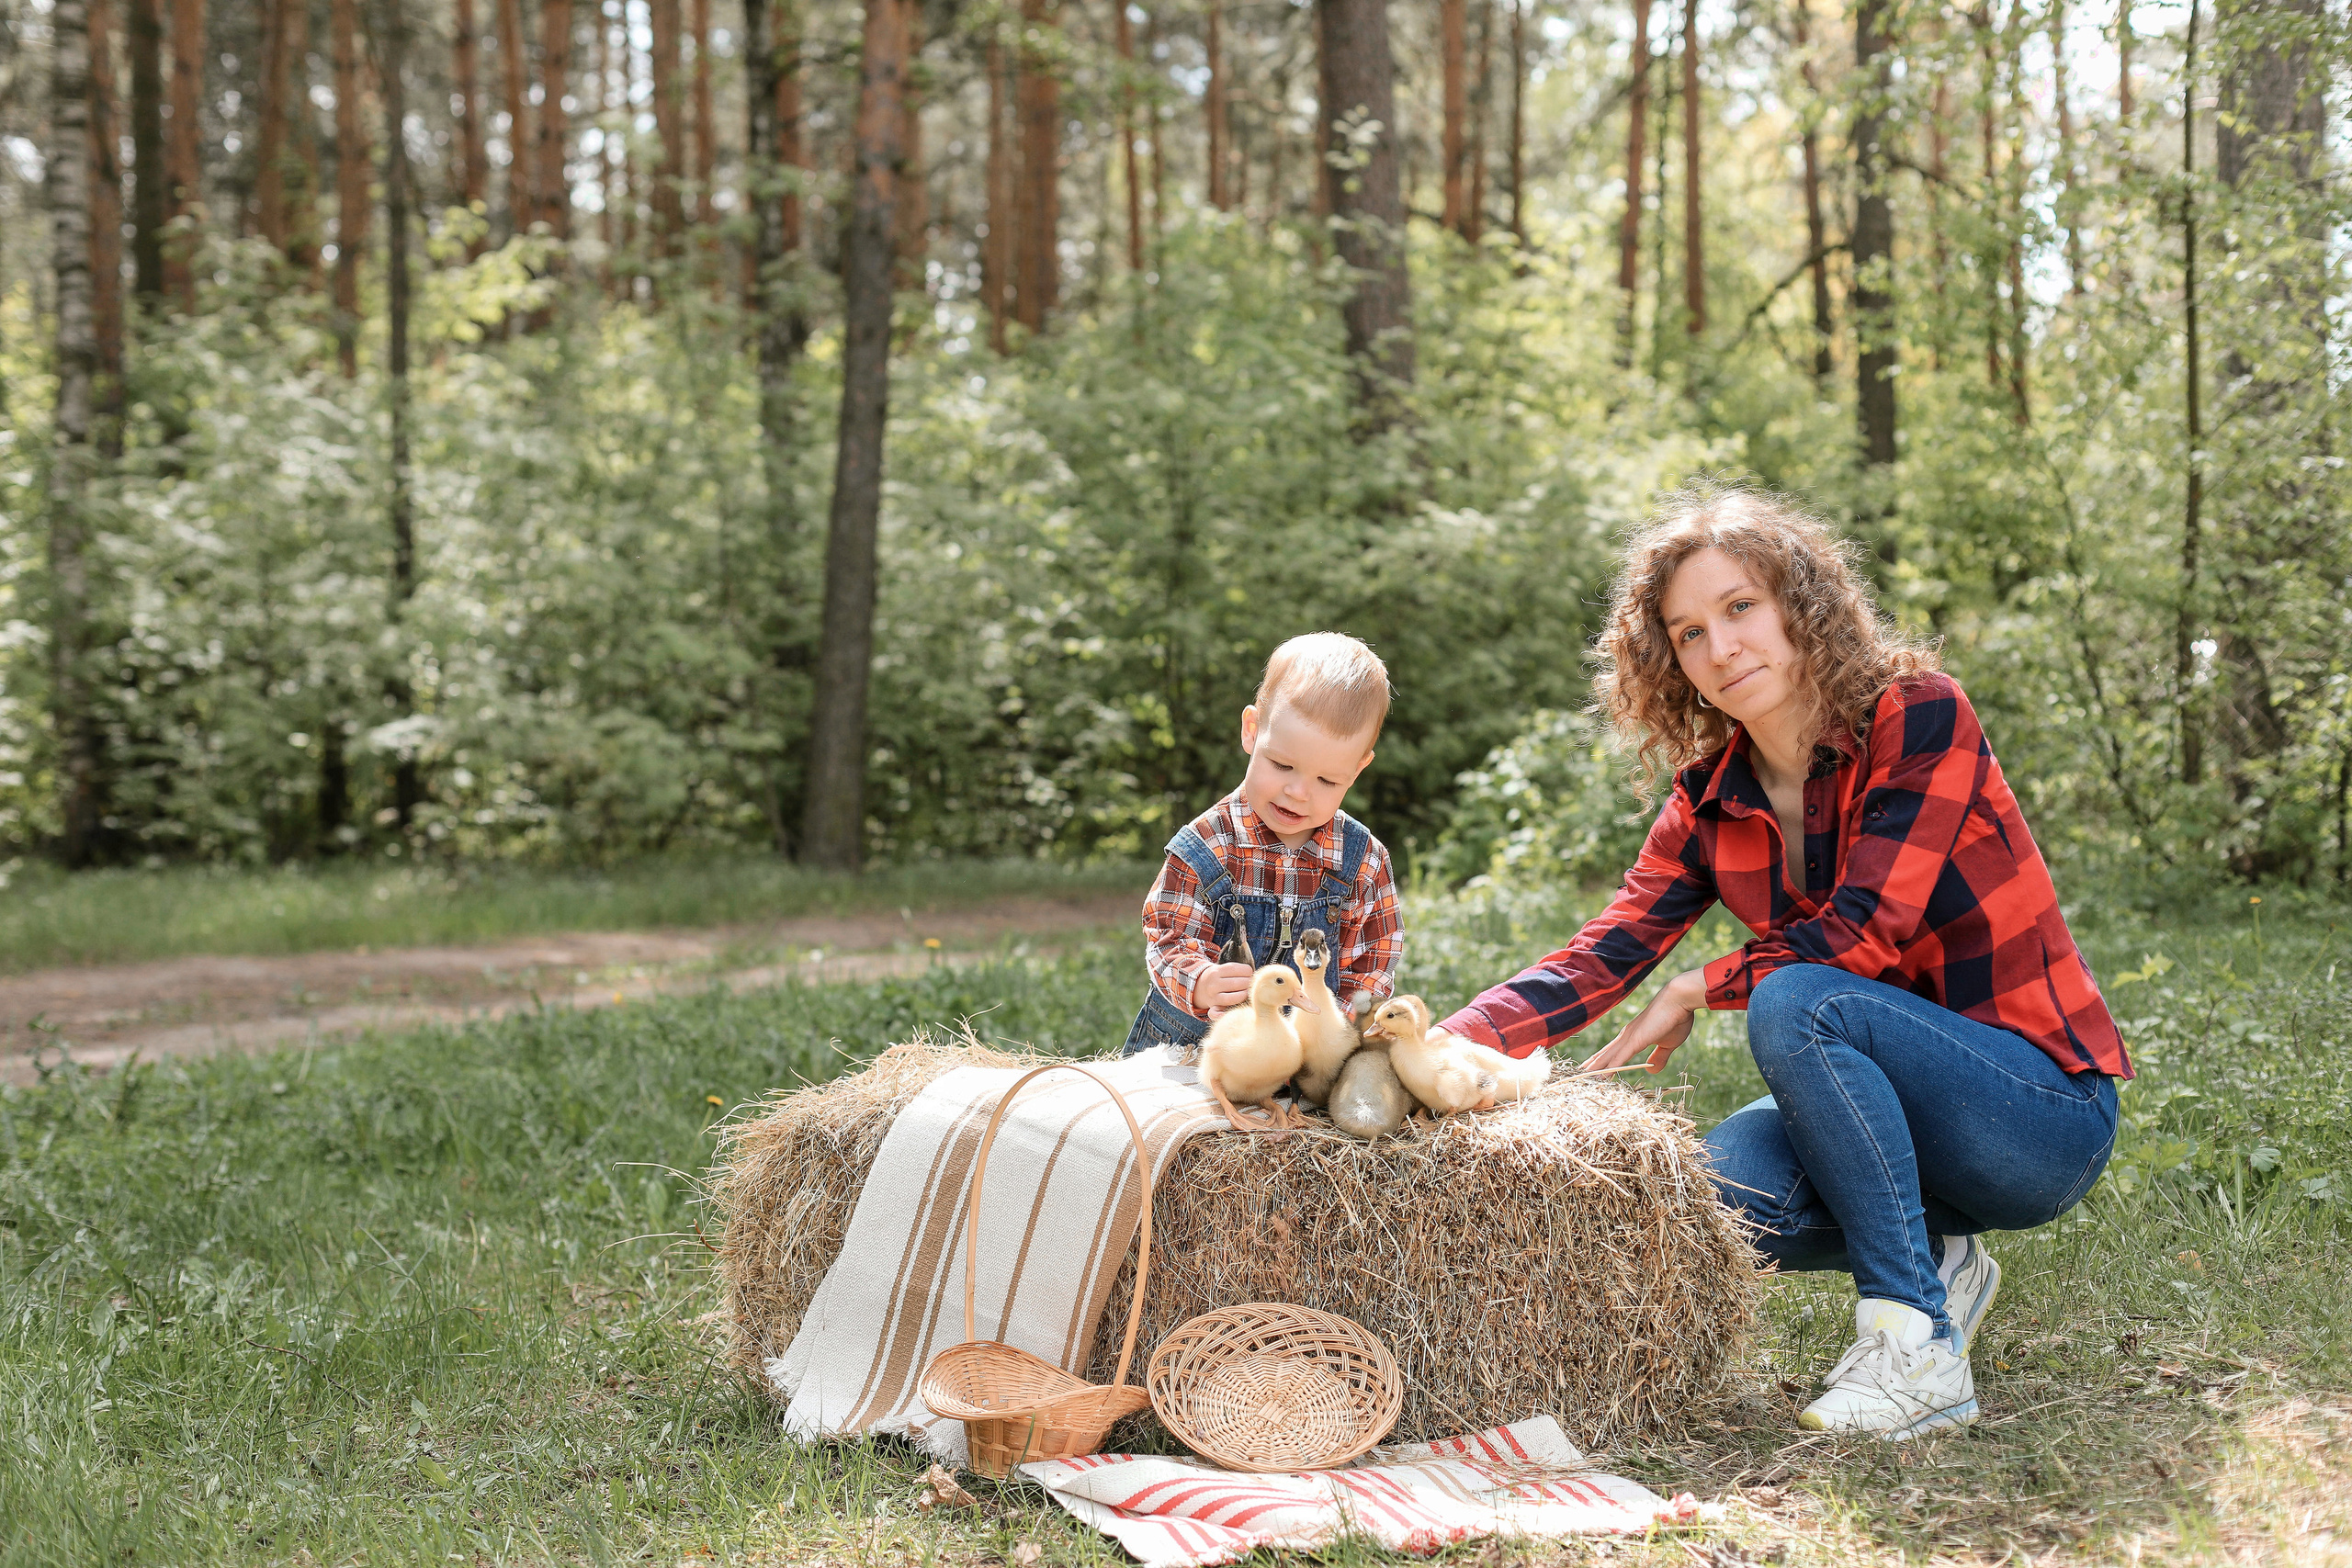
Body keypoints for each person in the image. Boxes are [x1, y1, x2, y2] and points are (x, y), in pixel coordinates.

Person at [1437, 485, 2131, 1439]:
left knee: (1800, 999)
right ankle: (1939, 1262)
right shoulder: (1709, 801)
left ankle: (1915, 1344)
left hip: (2036, 1112)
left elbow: (1859, 935)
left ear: (1800, 605)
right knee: (1709, 1196)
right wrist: (1432, 1046)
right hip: (1888, 1121)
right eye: (1689, 633)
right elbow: (1601, 954)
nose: (1721, 648)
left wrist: (1699, 985)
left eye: (1740, 608)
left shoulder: (1918, 716)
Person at [1125, 633, 1405, 1053]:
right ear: (1252, 731)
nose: (1298, 792)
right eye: (1282, 765)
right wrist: (1200, 981)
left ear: (1358, 769)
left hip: (1304, 1060)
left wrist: (1341, 1030)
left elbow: (1372, 966)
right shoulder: (1208, 844)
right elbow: (1169, 935)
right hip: (1192, 1051)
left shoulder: (1363, 862)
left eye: (1327, 780)